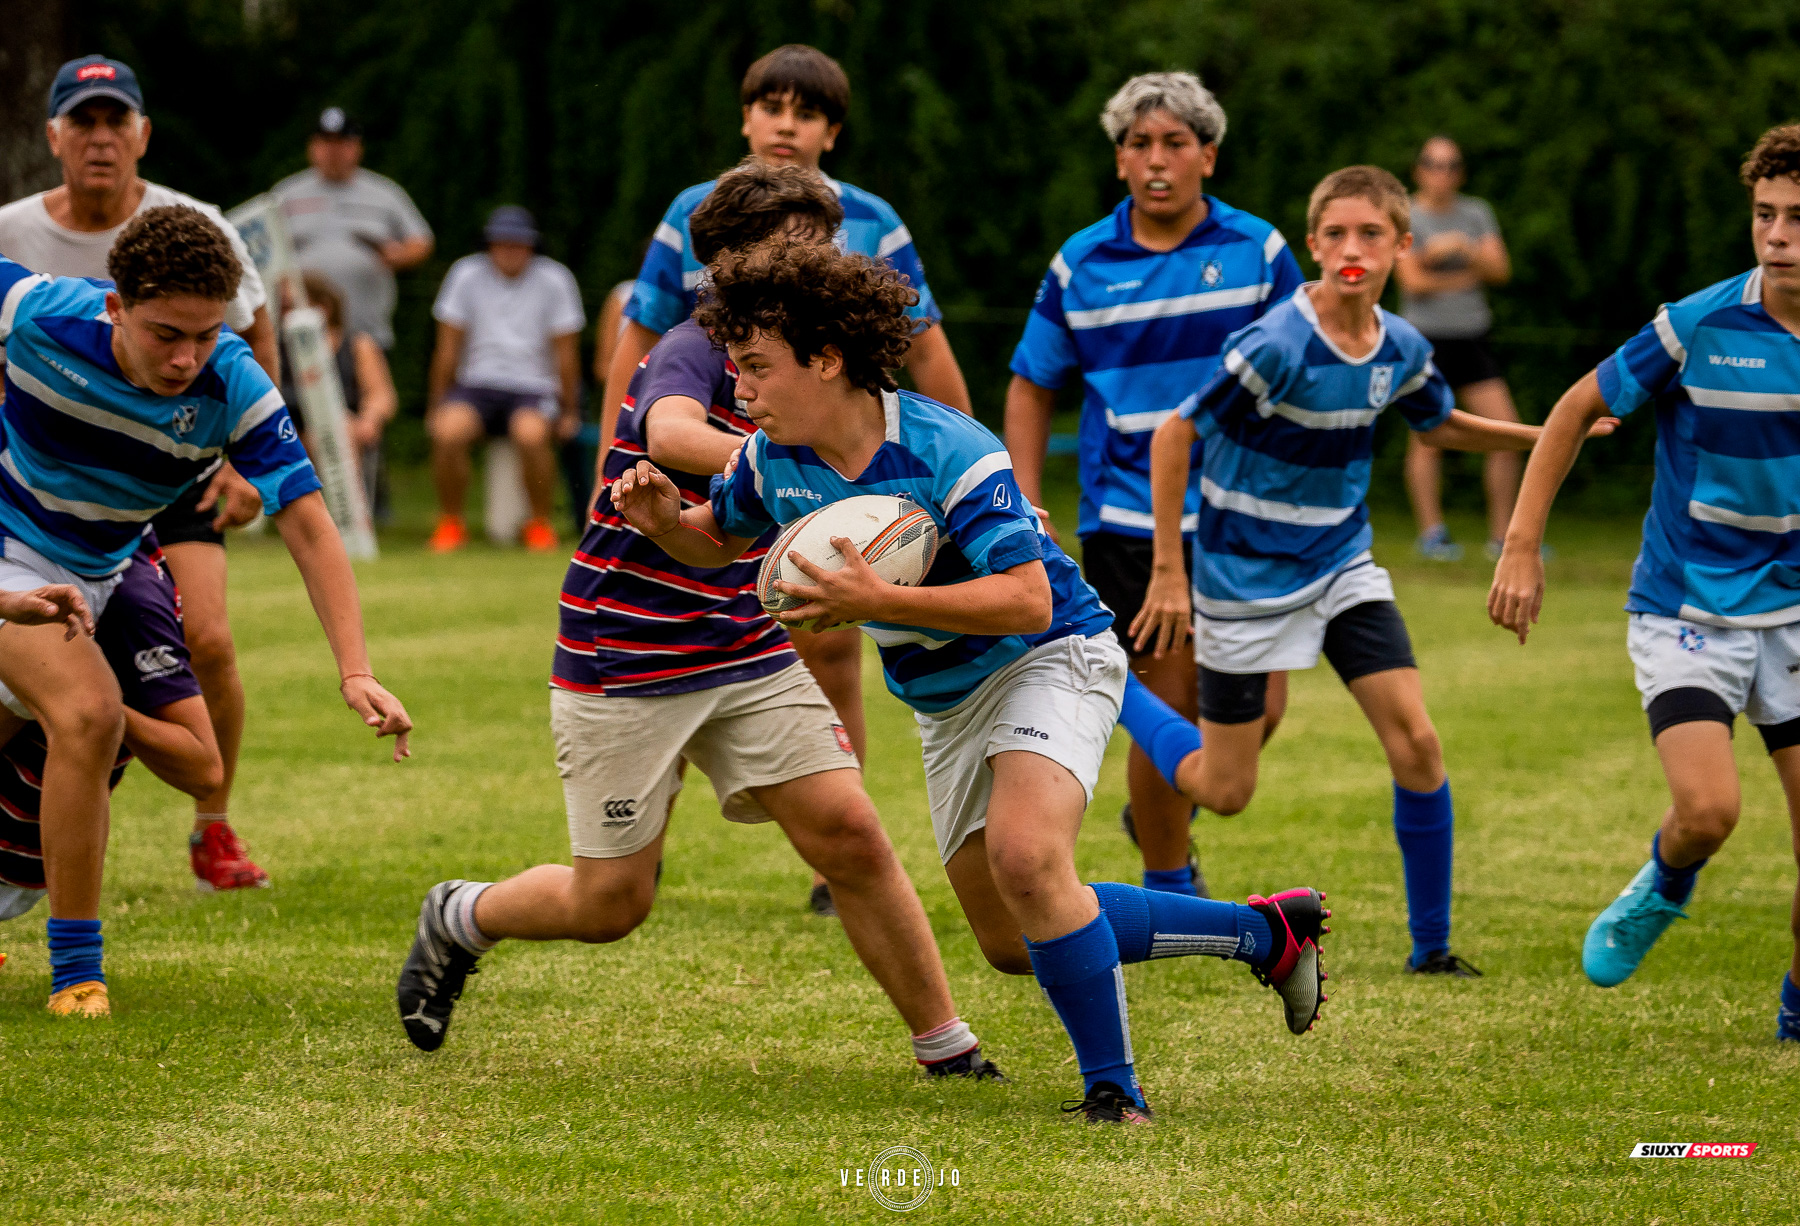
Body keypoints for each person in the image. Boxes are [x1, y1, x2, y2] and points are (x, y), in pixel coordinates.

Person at [612, 237, 1331, 1123]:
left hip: (1050, 655)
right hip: (945, 698)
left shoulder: (951, 450)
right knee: (1012, 941)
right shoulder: (770, 460)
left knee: (1029, 859)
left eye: (756, 368)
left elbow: (1030, 599)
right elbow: (715, 536)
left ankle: (1115, 1094)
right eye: (734, 371)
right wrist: (661, 523)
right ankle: (1266, 932)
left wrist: (874, 596)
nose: (740, 391)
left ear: (828, 359)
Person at [393, 195, 1004, 1086]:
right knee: (611, 903)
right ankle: (463, 916)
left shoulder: (821, 372)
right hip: (626, 652)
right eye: (792, 246)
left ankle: (945, 1045)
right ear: (729, 265)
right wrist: (793, 466)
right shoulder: (695, 349)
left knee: (851, 833)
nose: (814, 261)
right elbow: (667, 430)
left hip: (741, 639)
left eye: (821, 245)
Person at [1121, 167, 1616, 980]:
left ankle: (1432, 950)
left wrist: (1548, 433)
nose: (1353, 250)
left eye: (1372, 235)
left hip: (1342, 566)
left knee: (1417, 742)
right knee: (1225, 788)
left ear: (1402, 245)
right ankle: (1121, 693)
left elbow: (1441, 427)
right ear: (1313, 245)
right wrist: (1170, 572)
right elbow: (1174, 437)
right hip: (1242, 578)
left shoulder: (1402, 346)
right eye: (1337, 235)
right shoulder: (1274, 345)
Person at [0, 205, 413, 1017]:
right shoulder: (35, 311)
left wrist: (355, 669)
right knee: (87, 714)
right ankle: (76, 974)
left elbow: (308, 522)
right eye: (165, 334)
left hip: (103, 569)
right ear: (113, 306)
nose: (188, 357)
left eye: (206, 333)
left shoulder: (234, 383)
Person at [602, 46, 976, 844]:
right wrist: (613, 461)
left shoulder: (872, 221)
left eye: (806, 112)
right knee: (673, 656)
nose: (786, 123)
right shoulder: (697, 220)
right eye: (771, 106)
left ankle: (837, 853)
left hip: (823, 477)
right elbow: (640, 354)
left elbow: (929, 350)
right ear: (745, 118)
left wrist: (974, 474)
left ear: (831, 133)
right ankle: (634, 841)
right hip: (745, 479)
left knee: (831, 649)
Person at [1488, 125, 1800, 1041]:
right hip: (1687, 607)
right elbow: (1576, 408)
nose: (1778, 236)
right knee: (1709, 812)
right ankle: (1666, 878)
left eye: (1797, 219)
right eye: (1765, 215)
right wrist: (1520, 544)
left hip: (1794, 612)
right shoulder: (1697, 325)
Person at [1006, 71, 1304, 900]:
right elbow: (1032, 384)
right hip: (1131, 517)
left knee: (1259, 714)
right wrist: (1022, 495)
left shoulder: (1260, 252)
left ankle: (1161, 812)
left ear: (1209, 155)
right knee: (1170, 703)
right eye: (1139, 144)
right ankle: (1171, 881)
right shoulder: (1083, 262)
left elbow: (1305, 365)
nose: (1157, 159)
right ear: (1119, 163)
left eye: (1175, 143)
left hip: (1247, 517)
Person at [0, 52, 278, 891]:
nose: (100, 137)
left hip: (174, 461)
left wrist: (245, 468)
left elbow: (250, 339)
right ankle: (28, 828)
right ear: (53, 135)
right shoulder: (12, 229)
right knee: (46, 685)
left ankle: (212, 824)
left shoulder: (195, 222)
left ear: (143, 135)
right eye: (82, 121)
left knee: (211, 637)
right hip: (51, 472)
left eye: (116, 120)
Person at [0, 534, 225, 948]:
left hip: (20, 856)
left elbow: (203, 769)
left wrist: (94, 704)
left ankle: (77, 972)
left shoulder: (133, 595)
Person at [1394, 136, 1524, 561]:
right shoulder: (1406, 215)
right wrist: (1452, 265)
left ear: (1461, 172)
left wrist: (1462, 249)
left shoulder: (1475, 213)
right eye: (1433, 164)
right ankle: (1433, 534)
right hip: (1425, 340)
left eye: (1452, 165)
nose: (1443, 173)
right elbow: (1412, 283)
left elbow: (1501, 270)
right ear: (1419, 170)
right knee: (1427, 436)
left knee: (1506, 431)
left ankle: (1502, 538)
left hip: (1472, 337)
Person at [426, 206, 584, 553]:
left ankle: (539, 523)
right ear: (489, 245)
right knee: (447, 431)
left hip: (534, 387)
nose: (509, 250)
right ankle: (451, 521)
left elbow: (566, 354)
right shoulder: (465, 274)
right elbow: (448, 347)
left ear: (531, 247)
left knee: (530, 435)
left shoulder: (556, 279)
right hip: (476, 384)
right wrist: (437, 404)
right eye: (502, 243)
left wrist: (570, 410)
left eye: (518, 244)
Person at [271, 107, 434, 352]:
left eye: (342, 143)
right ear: (312, 147)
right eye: (326, 142)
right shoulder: (286, 194)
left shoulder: (384, 193)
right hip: (300, 334)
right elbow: (261, 248)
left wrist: (401, 255)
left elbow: (421, 241)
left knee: (370, 389)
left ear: (358, 147)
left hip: (366, 334)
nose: (333, 151)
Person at [280, 271, 398, 510]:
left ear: (321, 307)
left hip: (341, 424)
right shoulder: (274, 345)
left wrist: (370, 419)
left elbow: (381, 395)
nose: (283, 315)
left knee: (335, 434)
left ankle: (345, 515)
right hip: (288, 424)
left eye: (290, 306)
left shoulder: (357, 345)